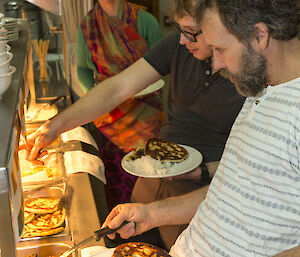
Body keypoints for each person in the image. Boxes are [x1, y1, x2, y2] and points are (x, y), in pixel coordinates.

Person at [24, 0, 245, 248]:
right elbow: (117, 88)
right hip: (156, 173)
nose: (182, 40)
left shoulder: (248, 73)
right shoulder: (180, 45)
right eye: (179, 30)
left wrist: (204, 170)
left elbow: (251, 166)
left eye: (192, 33)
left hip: (204, 189)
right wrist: (55, 126)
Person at [99, 0, 300, 256]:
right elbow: (230, 192)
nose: (216, 64)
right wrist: (151, 213)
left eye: (220, 49)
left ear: (259, 35)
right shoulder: (260, 92)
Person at [76, 0, 163, 209]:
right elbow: (83, 70)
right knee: (116, 189)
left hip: (146, 116)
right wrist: (98, 99)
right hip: (109, 121)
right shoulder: (88, 25)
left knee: (150, 181)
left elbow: (163, 66)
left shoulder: (145, 21)